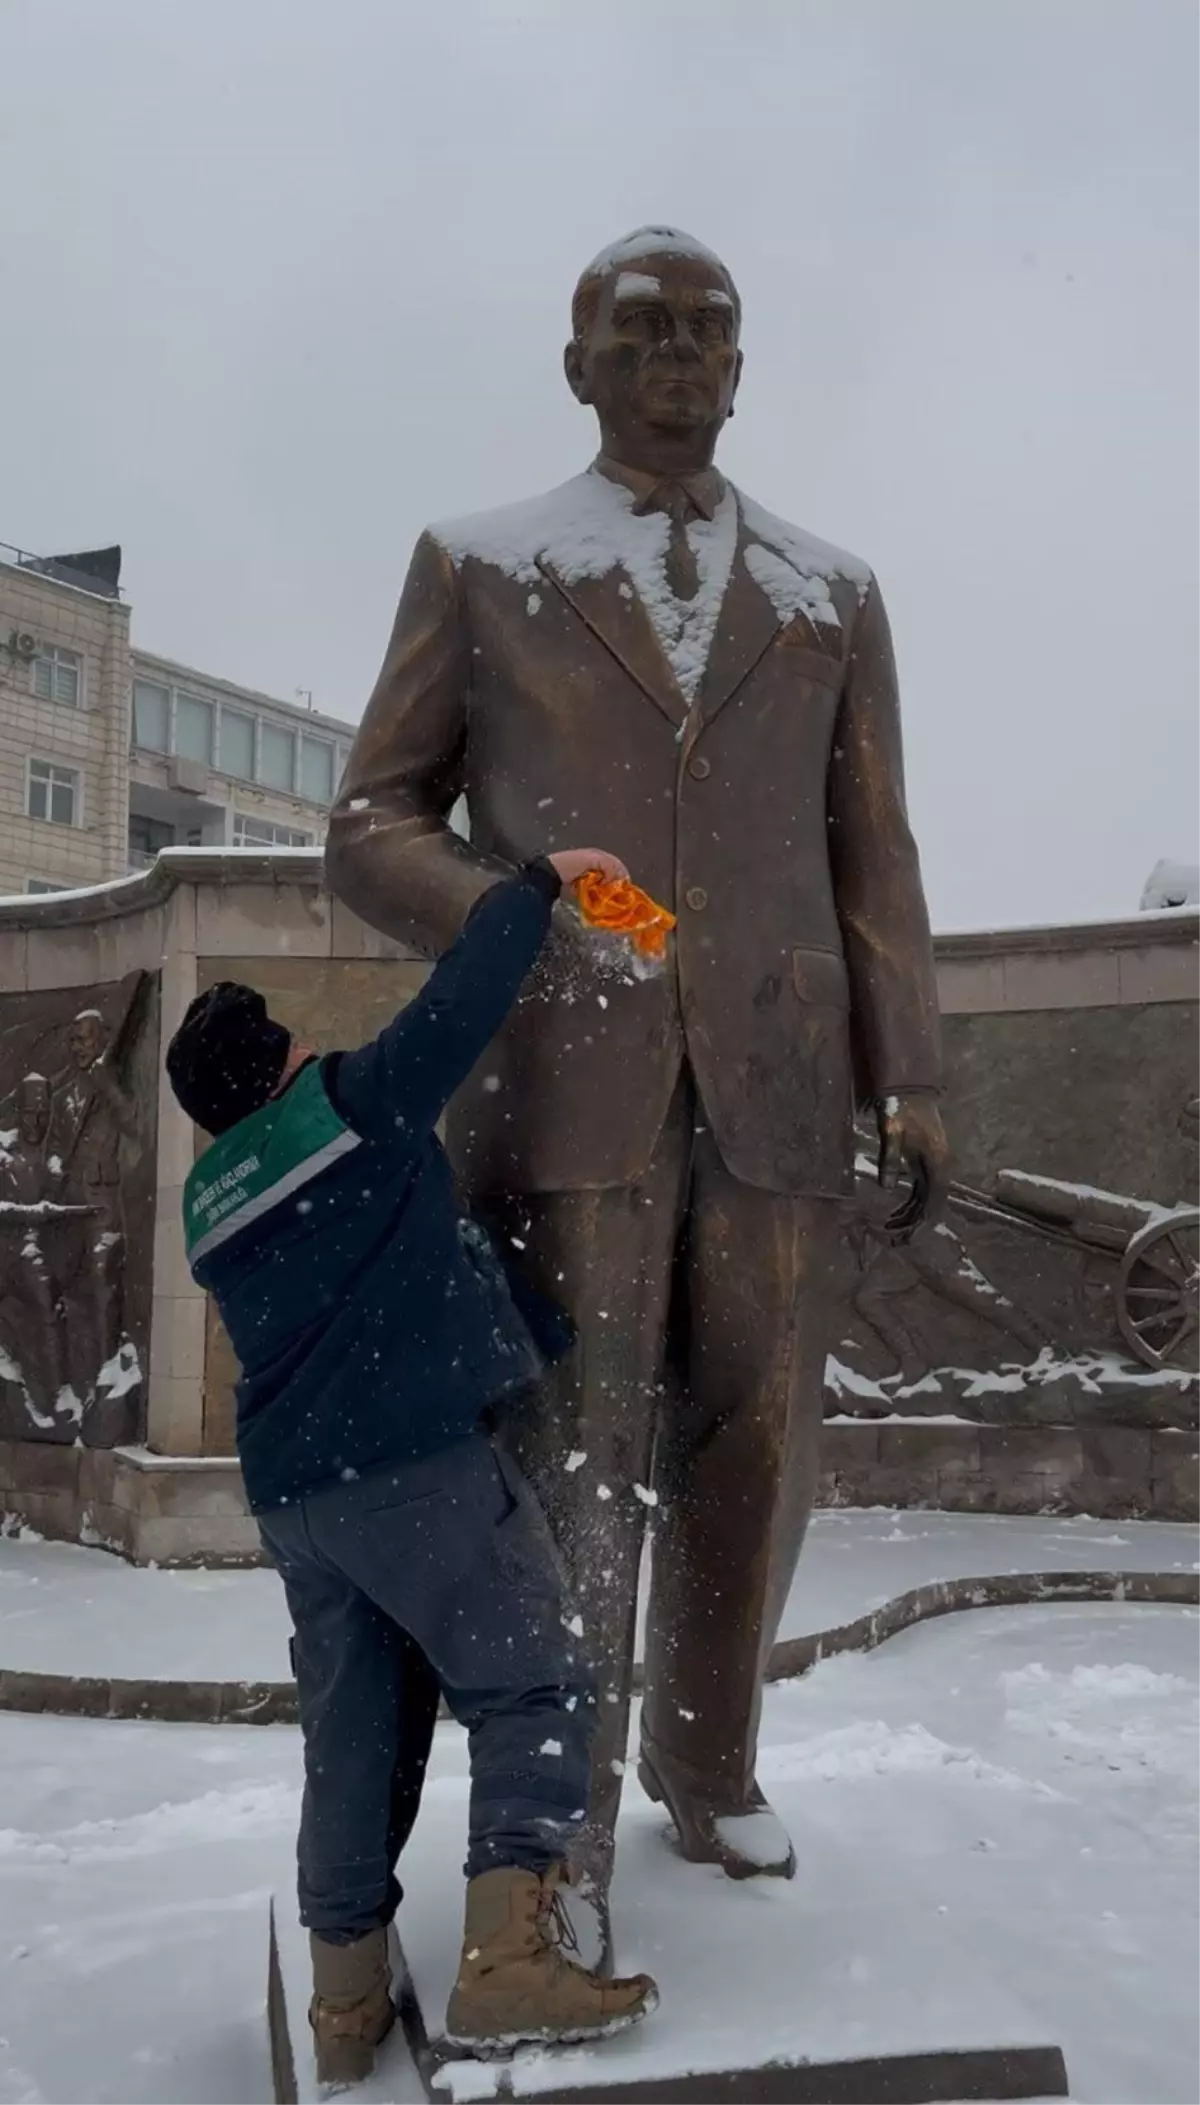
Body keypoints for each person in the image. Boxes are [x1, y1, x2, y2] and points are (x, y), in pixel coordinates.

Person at [325, 224, 949, 1966]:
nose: (680, 353)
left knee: (760, 1443)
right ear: (580, 361)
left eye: (710, 331)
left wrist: (910, 1069)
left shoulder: (833, 594)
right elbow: (368, 826)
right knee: (571, 1458)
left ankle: (711, 1760)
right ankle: (558, 1820)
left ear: (742, 370)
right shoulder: (483, 565)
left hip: (777, 1084)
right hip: (559, 1089)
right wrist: (511, 914)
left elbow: (872, 851)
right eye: (643, 327)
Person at [164, 848, 657, 2087]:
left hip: (298, 1496)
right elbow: (466, 992)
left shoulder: (210, 1200)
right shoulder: (349, 1109)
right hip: (408, 1470)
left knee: (353, 1737)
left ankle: (344, 2003)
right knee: (529, 1680)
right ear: (275, 1062)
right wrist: (546, 878)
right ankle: (509, 1965)